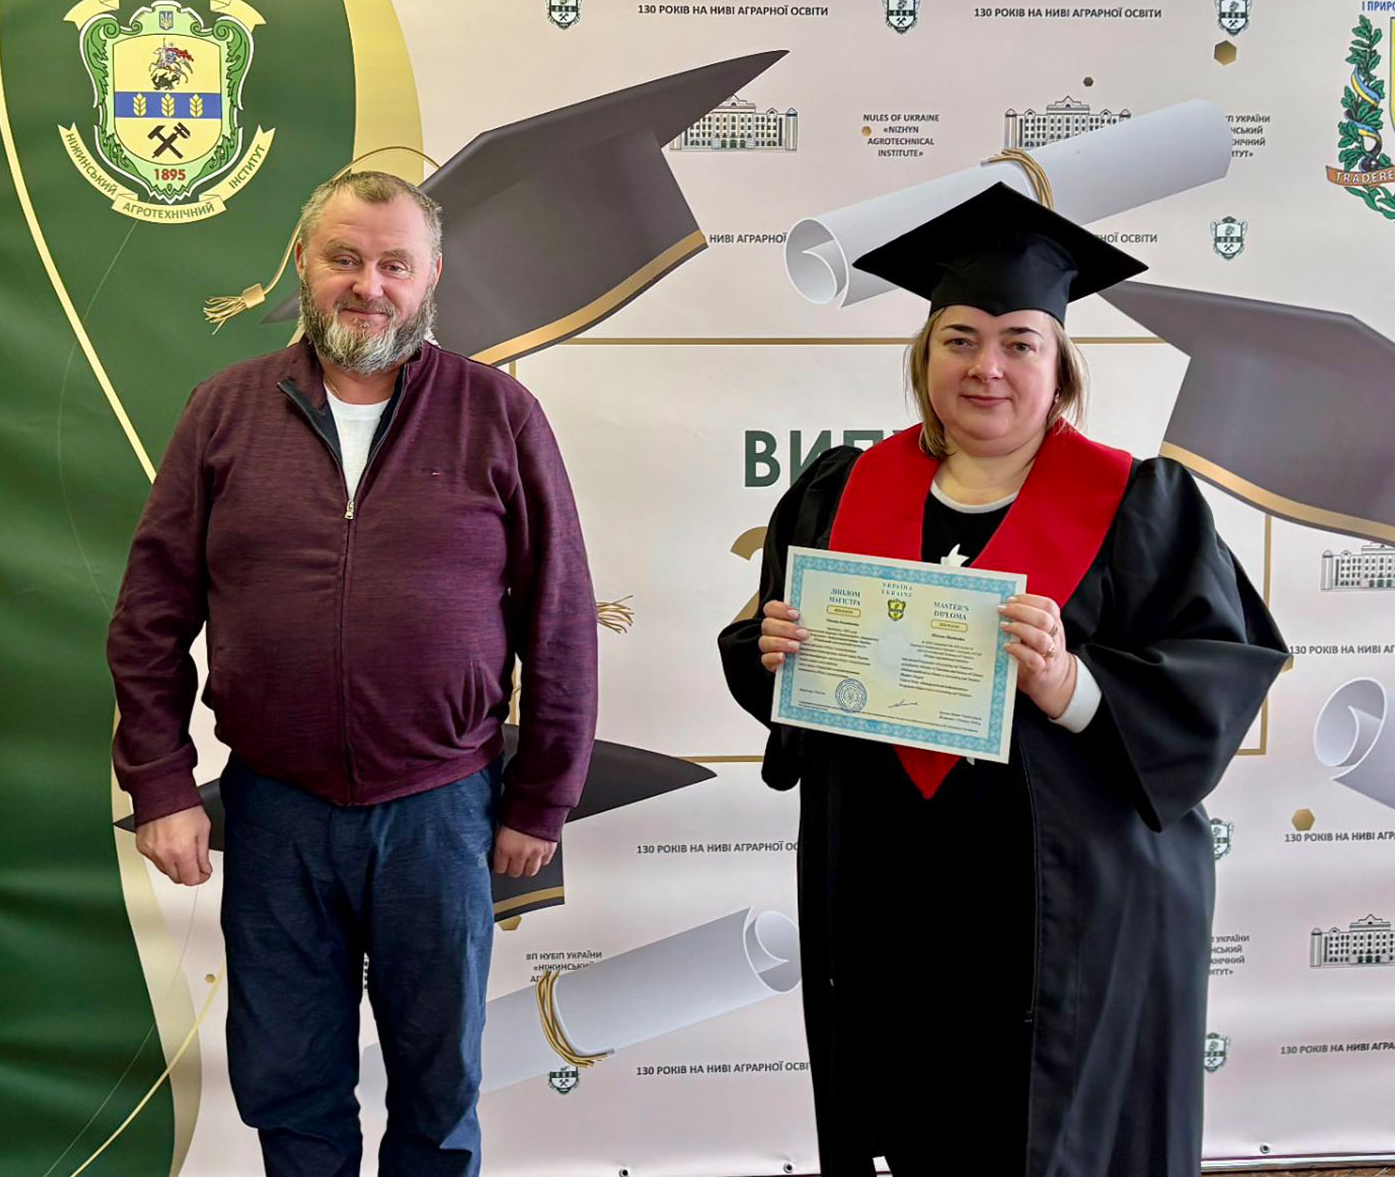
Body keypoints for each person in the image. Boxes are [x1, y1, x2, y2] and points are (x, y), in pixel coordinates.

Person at [718, 184, 1288, 1177]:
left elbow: (1215, 675)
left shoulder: (1139, 504)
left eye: (1019, 342)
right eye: (960, 339)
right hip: (896, 900)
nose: (986, 366)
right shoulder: (840, 491)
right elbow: (769, 656)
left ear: (1059, 366)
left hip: (1070, 909)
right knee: (921, 1132)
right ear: (924, 356)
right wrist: (771, 650)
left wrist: (1071, 682)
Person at [107, 171, 598, 1176]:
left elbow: (557, 618)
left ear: (431, 276)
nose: (368, 285)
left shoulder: (498, 413)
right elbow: (151, 612)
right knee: (289, 1083)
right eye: (344, 258)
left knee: (438, 1089)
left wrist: (541, 798)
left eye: (393, 264)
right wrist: (160, 781)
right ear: (302, 262)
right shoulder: (223, 410)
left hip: (442, 812)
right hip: (276, 810)